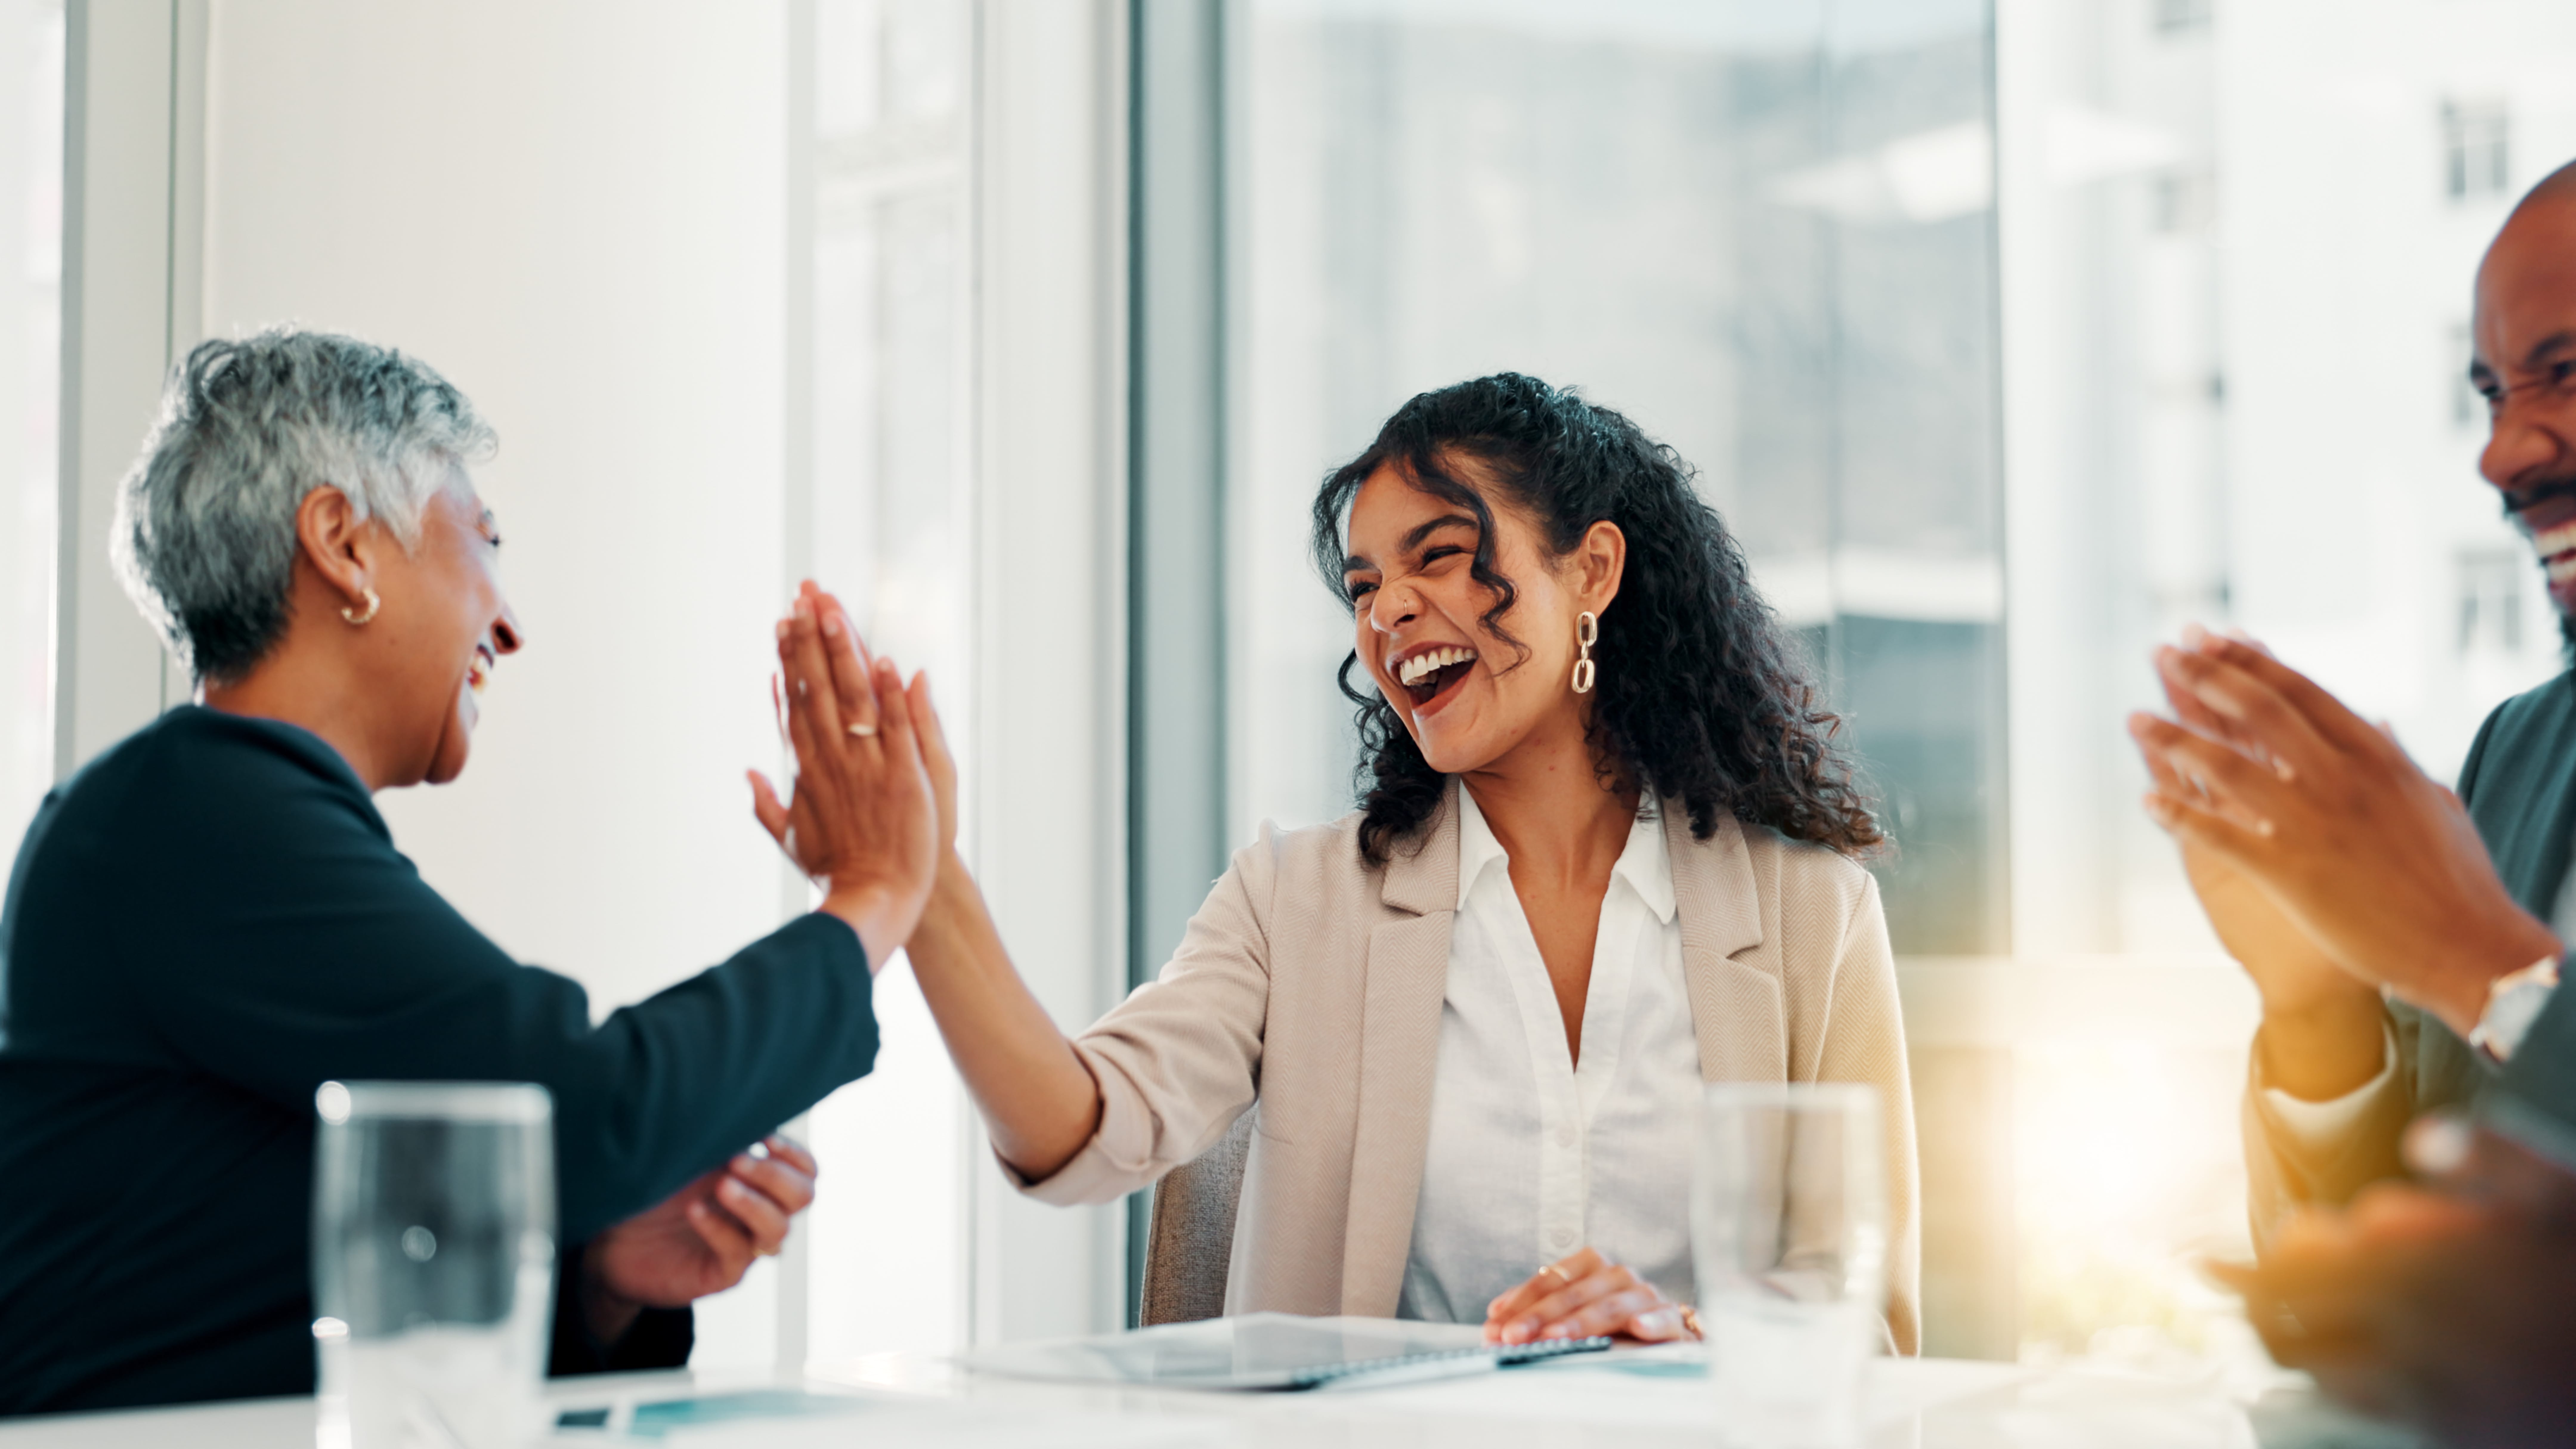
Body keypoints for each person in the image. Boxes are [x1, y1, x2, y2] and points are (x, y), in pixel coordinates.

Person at [0, 330, 939, 1414]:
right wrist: (870, 896)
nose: (509, 622)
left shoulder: (211, 820)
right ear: (342, 544)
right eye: (483, 541)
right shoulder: (191, 815)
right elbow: (581, 1114)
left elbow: (284, 1274)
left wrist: (598, 1284)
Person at [881, 374, 1921, 1350]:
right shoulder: (1293, 901)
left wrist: (1681, 1344)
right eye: (1366, 583)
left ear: (1592, 569)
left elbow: (1866, 1329)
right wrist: (928, 893)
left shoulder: (1811, 918)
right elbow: (1083, 1125)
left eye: (1436, 556)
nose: (1387, 613)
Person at [2128, 160, 2576, 1242]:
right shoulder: (2518, 756)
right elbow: (2379, 1301)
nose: (2502, 451)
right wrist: (2320, 1006)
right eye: (2490, 393)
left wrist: (2490, 973)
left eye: (2565, 374)